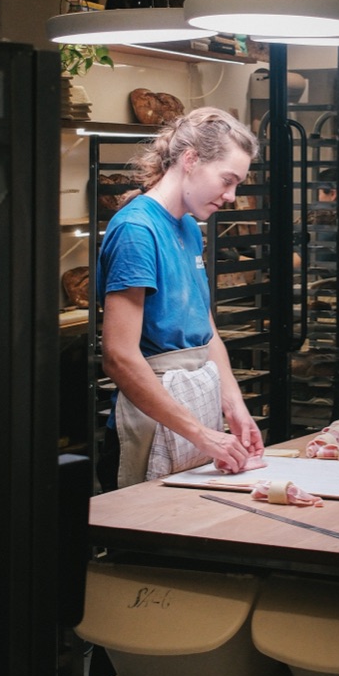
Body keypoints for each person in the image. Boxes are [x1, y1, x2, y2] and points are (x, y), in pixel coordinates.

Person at [97, 106, 265, 490]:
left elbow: (206, 331)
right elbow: (119, 357)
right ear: (190, 160)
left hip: (191, 417)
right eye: (227, 180)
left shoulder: (190, 227)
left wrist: (234, 408)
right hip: (151, 421)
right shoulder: (137, 230)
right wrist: (202, 434)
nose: (231, 196)